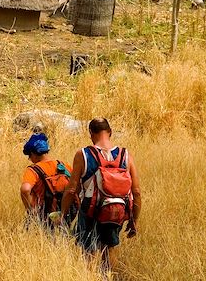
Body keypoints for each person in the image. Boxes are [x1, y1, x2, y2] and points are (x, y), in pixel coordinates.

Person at [55, 118, 141, 275]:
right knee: (109, 249)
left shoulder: (83, 154)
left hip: (90, 209)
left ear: (90, 134)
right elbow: (136, 192)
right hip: (116, 210)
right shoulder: (125, 155)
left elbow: (72, 189)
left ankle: (90, 277)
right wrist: (134, 220)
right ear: (110, 132)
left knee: (88, 250)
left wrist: (63, 213)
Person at [20, 131, 74, 229]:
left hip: (45, 215)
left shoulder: (33, 170)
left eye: (29, 156)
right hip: (67, 212)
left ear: (33, 153)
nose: (30, 159)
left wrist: (31, 209)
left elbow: (25, 189)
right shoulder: (63, 165)